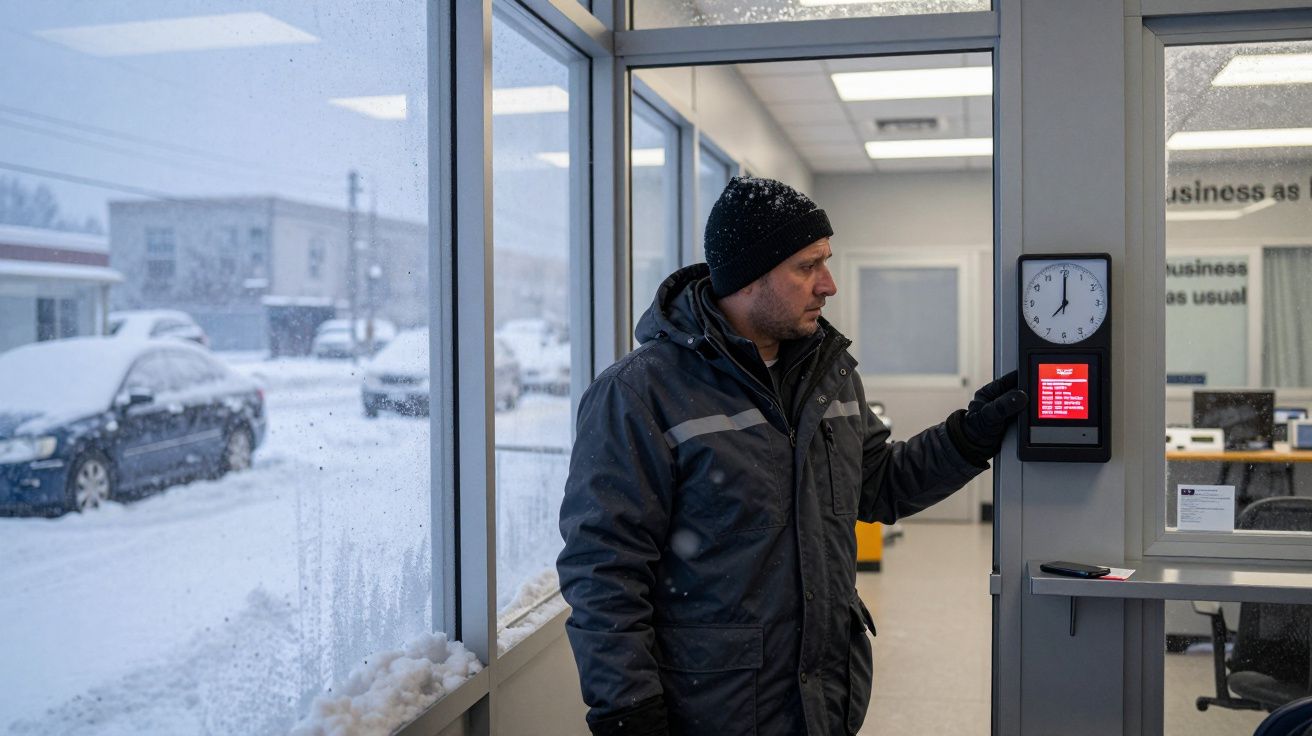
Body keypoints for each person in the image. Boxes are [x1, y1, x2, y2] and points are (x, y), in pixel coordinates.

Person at [557, 176, 1027, 736]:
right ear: (749, 277)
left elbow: (878, 483)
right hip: (713, 709)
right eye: (807, 267)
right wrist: (627, 710)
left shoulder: (826, 374)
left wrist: (967, 438)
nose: (828, 285)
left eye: (825, 262)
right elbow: (605, 567)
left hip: (824, 702)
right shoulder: (640, 394)